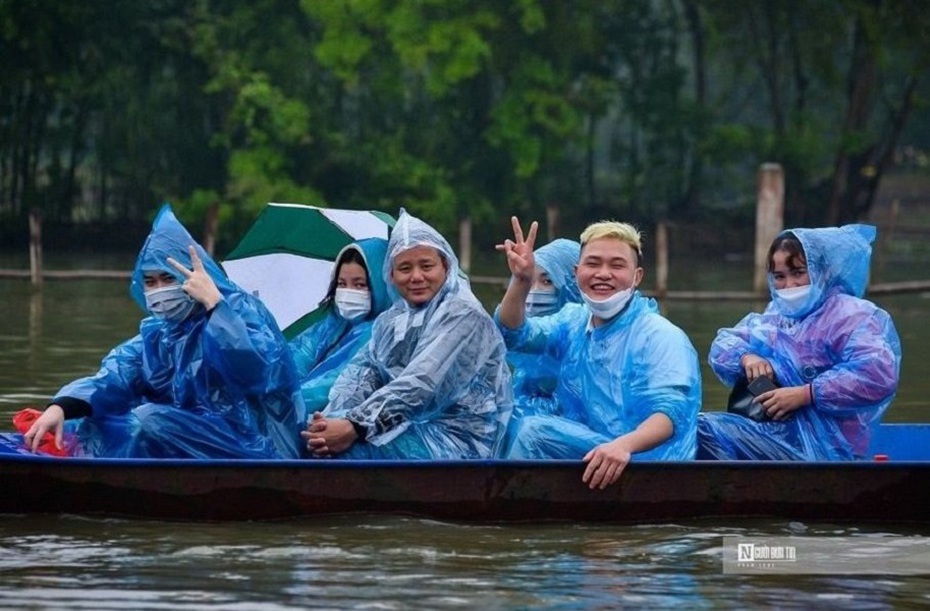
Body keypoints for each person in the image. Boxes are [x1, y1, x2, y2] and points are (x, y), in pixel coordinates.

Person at [22, 204, 304, 459]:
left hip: (256, 443)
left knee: (147, 420)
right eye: (150, 281)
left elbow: (254, 372)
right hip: (197, 435)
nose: (160, 290)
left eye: (168, 278)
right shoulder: (160, 333)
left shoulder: (240, 310)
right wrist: (61, 406)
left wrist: (216, 308)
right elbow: (116, 375)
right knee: (90, 418)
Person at [496, 217, 701, 489]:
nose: (603, 273)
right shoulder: (572, 321)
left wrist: (623, 446)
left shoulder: (660, 334)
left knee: (534, 433)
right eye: (593, 264)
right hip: (595, 444)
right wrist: (521, 281)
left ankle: (506, 520)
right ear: (577, 270)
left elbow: (672, 412)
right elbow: (516, 335)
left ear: (637, 276)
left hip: (646, 459)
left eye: (617, 265)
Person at [301, 209, 513, 459]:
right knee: (313, 441)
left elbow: (420, 386)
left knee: (346, 454)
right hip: (410, 427)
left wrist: (354, 426)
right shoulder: (391, 322)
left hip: (456, 441)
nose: (416, 277)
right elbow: (360, 376)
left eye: (426, 266)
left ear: (445, 266)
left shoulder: (463, 314)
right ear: (390, 274)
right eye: (404, 268)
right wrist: (331, 420)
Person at [697, 224, 902, 461]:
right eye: (779, 277)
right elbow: (723, 346)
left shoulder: (850, 315)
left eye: (798, 273)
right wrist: (747, 357)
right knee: (694, 424)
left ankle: (730, 493)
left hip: (830, 449)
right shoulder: (778, 316)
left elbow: (878, 373)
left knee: (704, 429)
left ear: (821, 271)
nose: (789, 286)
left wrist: (807, 394)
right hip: (780, 435)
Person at [289, 238, 391, 423]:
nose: (348, 292)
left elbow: (336, 385)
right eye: (342, 284)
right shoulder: (333, 323)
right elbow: (293, 358)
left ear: (381, 284)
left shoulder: (382, 333)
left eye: (359, 285)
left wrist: (286, 399)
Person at [500, 239, 582, 444]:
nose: (534, 292)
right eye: (530, 281)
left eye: (547, 282)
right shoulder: (528, 363)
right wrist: (520, 281)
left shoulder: (588, 339)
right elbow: (512, 334)